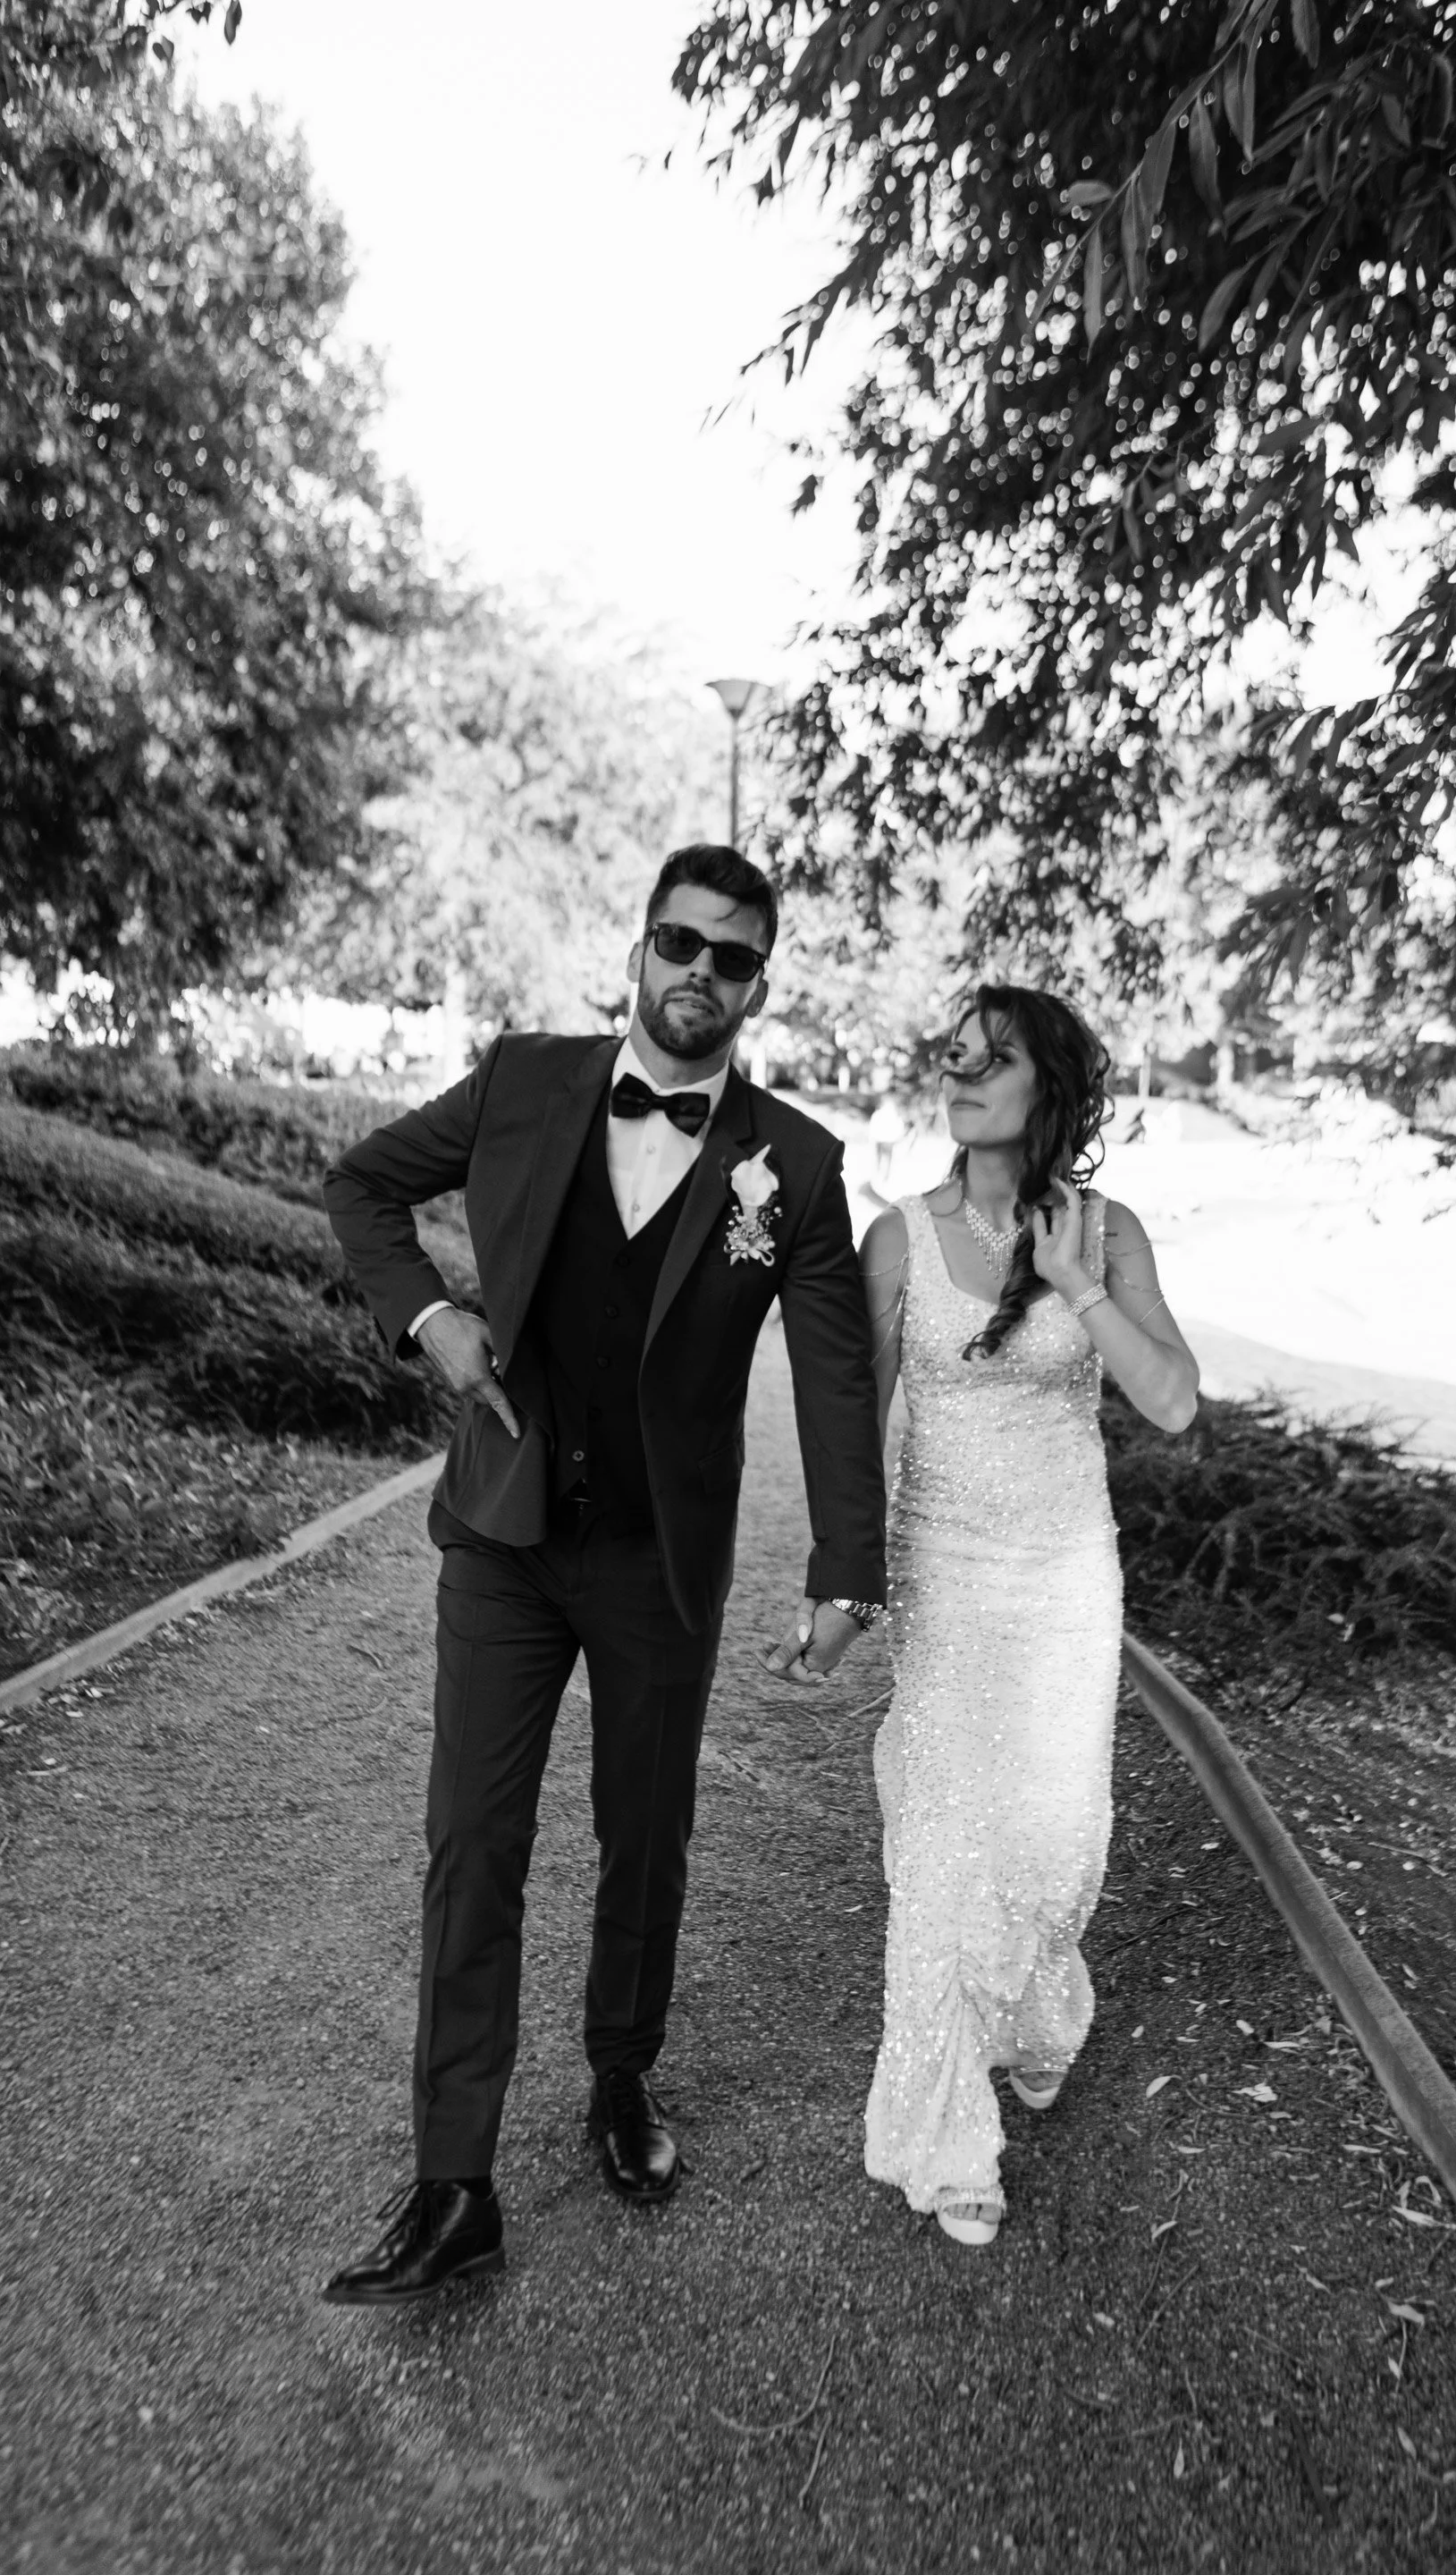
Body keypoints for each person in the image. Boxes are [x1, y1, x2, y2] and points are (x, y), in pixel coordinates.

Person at [319, 845, 888, 2305]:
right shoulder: (524, 1080)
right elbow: (364, 1187)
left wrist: (847, 1568)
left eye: (733, 958)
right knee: (473, 1846)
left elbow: (831, 1378)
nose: (701, 973)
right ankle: (456, 2182)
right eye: (680, 944)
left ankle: (622, 2078)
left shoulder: (797, 1168)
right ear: (640, 949)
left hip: (658, 1557)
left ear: (759, 981)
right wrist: (429, 1322)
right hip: (506, 1538)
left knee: (647, 1838)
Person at [859, 985, 1199, 2246]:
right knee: (945, 1855)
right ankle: (946, 2144)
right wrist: (838, 1587)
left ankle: (1044, 2011)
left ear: (1048, 1091)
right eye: (952, 1056)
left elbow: (1171, 1401)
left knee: (1059, 1848)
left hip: (1065, 1581)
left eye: (990, 1060)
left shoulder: (1108, 1232)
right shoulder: (897, 1239)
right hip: (942, 1572)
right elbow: (850, 1429)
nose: (960, 1074)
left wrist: (1077, 1285)